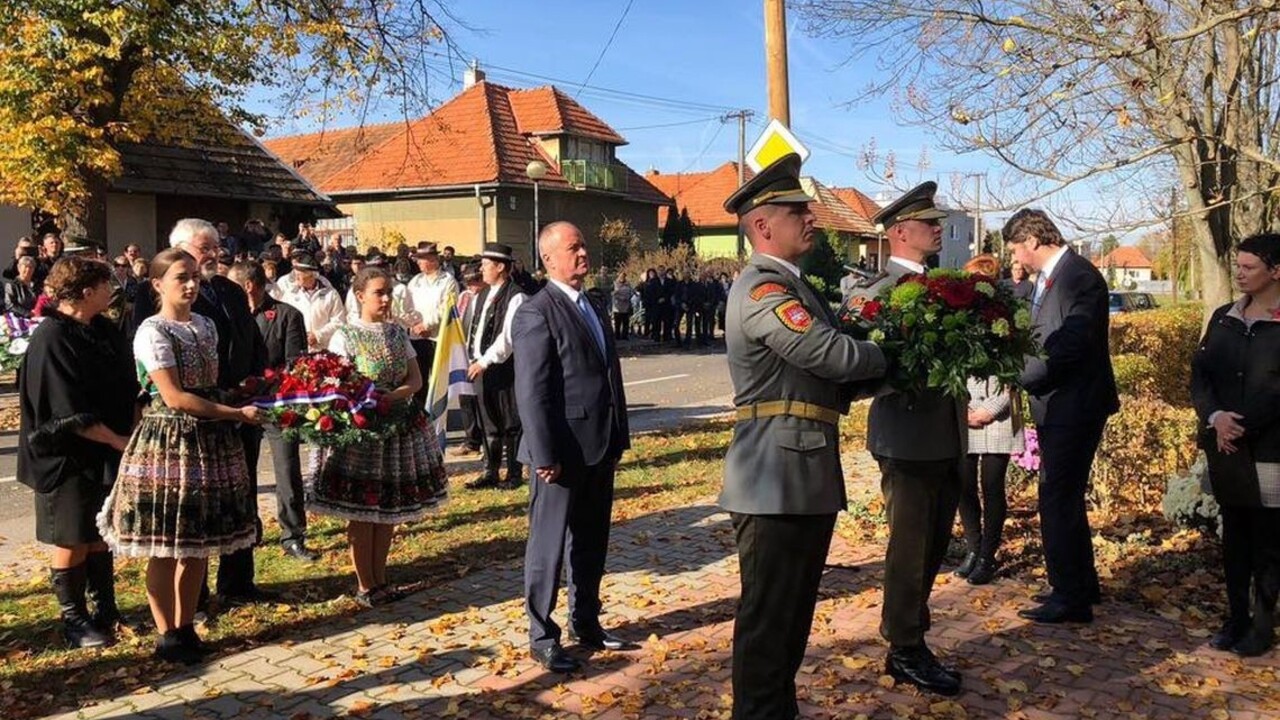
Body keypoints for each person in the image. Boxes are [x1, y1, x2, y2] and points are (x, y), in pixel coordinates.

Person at [718, 154, 887, 718]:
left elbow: (823, 379)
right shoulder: (762, 288)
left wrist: (872, 371)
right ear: (763, 226)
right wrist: (889, 356)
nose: (811, 219)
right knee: (770, 624)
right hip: (774, 477)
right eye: (797, 212)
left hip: (798, 473)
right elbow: (825, 353)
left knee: (790, 621)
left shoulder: (793, 286)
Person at [98, 248, 262, 663]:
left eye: (194, 277)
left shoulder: (206, 325)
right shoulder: (152, 331)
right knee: (165, 544)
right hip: (168, 442)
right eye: (180, 278)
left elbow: (208, 386)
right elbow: (174, 396)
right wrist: (234, 413)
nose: (191, 285)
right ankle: (166, 632)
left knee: (195, 544)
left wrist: (241, 393)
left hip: (208, 443)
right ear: (157, 285)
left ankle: (187, 625)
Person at [847, 181, 966, 696]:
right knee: (910, 547)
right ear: (900, 232)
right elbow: (864, 371)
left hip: (947, 435)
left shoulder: (946, 286)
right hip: (906, 436)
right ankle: (904, 645)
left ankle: (915, 632)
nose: (938, 228)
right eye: (929, 223)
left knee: (935, 544)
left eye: (937, 222)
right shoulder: (880, 295)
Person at [132, 219, 271, 608]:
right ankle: (192, 604)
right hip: (193, 419)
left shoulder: (227, 289)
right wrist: (226, 405)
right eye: (202, 248)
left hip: (235, 410)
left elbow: (250, 338)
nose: (213, 254)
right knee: (188, 517)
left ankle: (238, 582)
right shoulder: (153, 308)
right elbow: (161, 376)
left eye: (214, 247)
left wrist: (256, 379)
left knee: (235, 500)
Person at [514, 221, 632, 674]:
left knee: (591, 541)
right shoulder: (536, 312)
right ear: (549, 259)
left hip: (600, 446)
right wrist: (544, 455)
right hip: (560, 454)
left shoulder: (594, 305)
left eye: (584, 245)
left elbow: (607, 376)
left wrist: (619, 434)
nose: (583, 254)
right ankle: (542, 636)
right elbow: (533, 391)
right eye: (574, 248)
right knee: (548, 547)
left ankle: (587, 621)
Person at [17, 256, 140, 649]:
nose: (113, 290)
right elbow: (65, 412)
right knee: (71, 537)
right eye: (106, 283)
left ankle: (106, 608)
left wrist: (133, 424)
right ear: (87, 291)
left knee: (101, 533)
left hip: (103, 450)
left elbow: (125, 383)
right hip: (65, 457)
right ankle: (74, 620)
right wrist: (119, 441)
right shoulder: (52, 336)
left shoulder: (103, 329)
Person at [1005, 208, 1119, 624]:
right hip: (1059, 404)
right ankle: (1080, 584)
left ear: (1033, 241)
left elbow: (1070, 343)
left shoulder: (1078, 276)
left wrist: (1021, 375)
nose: (1016, 257)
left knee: (1055, 495)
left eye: (1017, 248)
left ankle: (1069, 596)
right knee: (1064, 496)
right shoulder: (1049, 278)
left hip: (1074, 405)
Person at [310, 266, 447, 606]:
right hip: (362, 432)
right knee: (364, 508)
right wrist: (368, 400)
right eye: (379, 293)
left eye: (388, 292)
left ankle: (381, 579)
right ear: (359, 296)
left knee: (388, 507)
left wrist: (391, 397)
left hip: (396, 427)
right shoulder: (346, 334)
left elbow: (416, 380)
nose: (386, 299)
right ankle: (365, 584)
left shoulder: (398, 334)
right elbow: (340, 384)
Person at [1191, 232, 1280, 657]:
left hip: (1270, 450)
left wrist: (1243, 425)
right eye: (1238, 266)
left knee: (1268, 541)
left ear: (1276, 272)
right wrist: (1215, 418)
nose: (1239, 274)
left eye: (1249, 268)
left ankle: (1263, 625)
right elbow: (1200, 374)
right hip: (1225, 448)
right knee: (1234, 538)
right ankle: (1235, 619)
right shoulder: (1224, 316)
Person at [228, 261, 318, 563]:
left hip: (279, 406)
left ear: (248, 285)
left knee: (287, 470)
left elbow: (296, 364)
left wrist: (267, 385)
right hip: (241, 408)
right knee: (244, 472)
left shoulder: (288, 315)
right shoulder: (230, 318)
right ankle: (250, 530)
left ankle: (293, 535)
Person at [953, 254, 1024, 587]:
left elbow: (1015, 371)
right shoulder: (959, 318)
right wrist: (962, 410)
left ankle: (988, 556)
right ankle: (972, 546)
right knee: (963, 485)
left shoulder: (1006, 319)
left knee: (992, 487)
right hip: (965, 413)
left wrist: (990, 409)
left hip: (996, 415)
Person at [466, 243, 527, 489]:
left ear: (501, 267)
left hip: (504, 368)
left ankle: (513, 474)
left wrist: (485, 360)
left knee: (510, 422)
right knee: (488, 422)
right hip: (480, 366)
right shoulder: (481, 294)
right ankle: (490, 471)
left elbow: (508, 337)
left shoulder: (516, 296)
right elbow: (475, 329)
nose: (482, 270)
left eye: (486, 265)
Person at [403, 242, 460, 408]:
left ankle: (438, 412)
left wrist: (427, 325)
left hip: (437, 337)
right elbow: (407, 305)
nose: (418, 263)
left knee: (437, 378)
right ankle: (419, 411)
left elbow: (447, 307)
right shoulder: (415, 281)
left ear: (433, 260)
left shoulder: (448, 281)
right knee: (418, 377)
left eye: (422, 259)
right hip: (416, 336)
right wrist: (414, 325)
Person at [274, 252, 345, 353]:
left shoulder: (331, 294)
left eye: (299, 275)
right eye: (295, 274)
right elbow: (282, 319)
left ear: (312, 276)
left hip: (323, 350)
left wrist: (318, 335)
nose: (296, 278)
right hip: (296, 350)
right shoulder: (290, 294)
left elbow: (339, 322)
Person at [453, 264, 485, 457]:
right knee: (465, 397)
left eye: (476, 283)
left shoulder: (490, 297)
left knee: (482, 400)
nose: (473, 288)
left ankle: (487, 443)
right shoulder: (464, 298)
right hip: (463, 351)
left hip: (482, 355)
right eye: (469, 284)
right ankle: (471, 439)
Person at [639, 268, 661, 341]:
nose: (651, 274)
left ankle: (654, 334)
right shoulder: (646, 282)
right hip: (647, 303)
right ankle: (646, 333)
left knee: (655, 320)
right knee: (647, 319)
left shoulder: (657, 281)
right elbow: (641, 291)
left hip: (655, 303)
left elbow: (659, 292)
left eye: (653, 273)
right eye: (650, 273)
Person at [610, 272, 634, 341]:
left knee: (625, 322)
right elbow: (612, 293)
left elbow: (632, 292)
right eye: (621, 276)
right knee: (618, 322)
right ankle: (617, 336)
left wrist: (628, 297)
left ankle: (625, 336)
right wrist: (619, 296)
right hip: (617, 306)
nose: (622, 278)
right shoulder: (615, 284)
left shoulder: (628, 284)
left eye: (623, 276)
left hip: (626, 305)